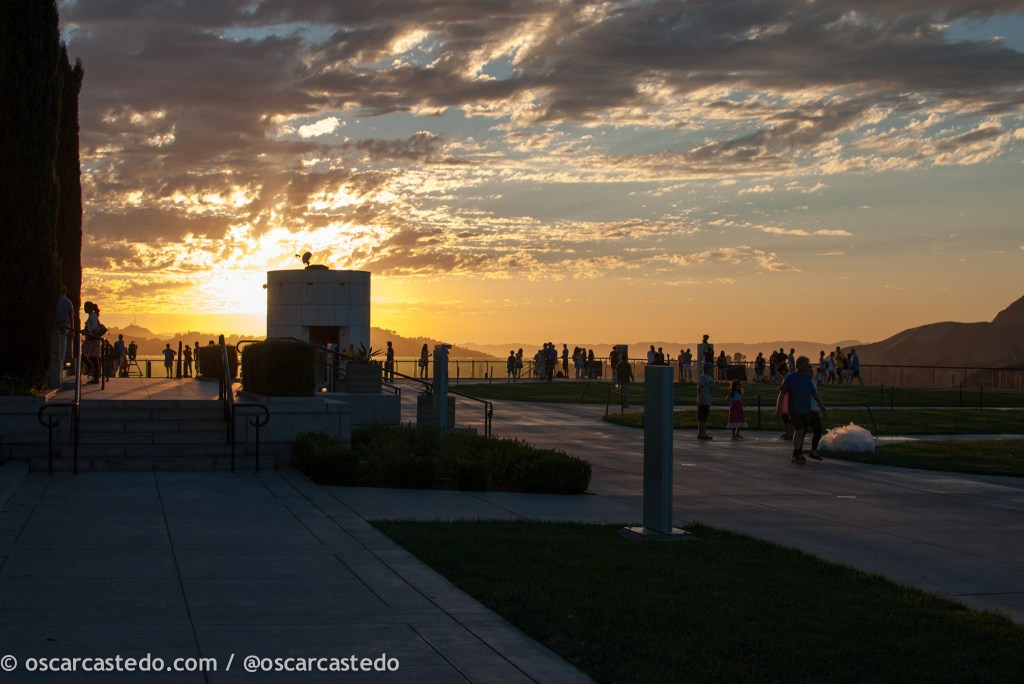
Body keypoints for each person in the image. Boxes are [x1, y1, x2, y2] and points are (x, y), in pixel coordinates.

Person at [776, 356, 827, 465]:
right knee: (799, 429)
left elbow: (814, 393)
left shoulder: (806, 378)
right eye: (806, 364)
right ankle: (795, 454)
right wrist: (778, 407)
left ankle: (798, 453)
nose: (808, 366)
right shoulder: (790, 378)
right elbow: (782, 393)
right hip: (794, 410)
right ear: (799, 365)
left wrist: (821, 404)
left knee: (802, 431)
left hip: (806, 410)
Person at [51, 286, 76, 389]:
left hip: (56, 324)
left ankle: (58, 365)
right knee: (63, 345)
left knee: (56, 345)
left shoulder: (55, 301)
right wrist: (72, 329)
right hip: (65, 324)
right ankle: (60, 364)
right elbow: (71, 317)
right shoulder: (68, 302)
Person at [81, 301, 103, 384]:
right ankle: (92, 371)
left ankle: (95, 376)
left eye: (85, 307)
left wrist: (87, 331)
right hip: (90, 340)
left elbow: (93, 327)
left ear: (89, 308)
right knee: (87, 355)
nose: (84, 309)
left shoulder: (93, 316)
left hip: (93, 339)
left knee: (94, 358)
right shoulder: (91, 316)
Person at [697, 362, 715, 440]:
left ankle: (701, 433)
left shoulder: (710, 377)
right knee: (702, 419)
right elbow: (699, 387)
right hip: (703, 400)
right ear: (706, 369)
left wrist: (726, 392)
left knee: (704, 418)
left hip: (708, 400)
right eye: (710, 368)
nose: (712, 369)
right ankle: (702, 434)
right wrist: (700, 398)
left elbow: (714, 387)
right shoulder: (703, 377)